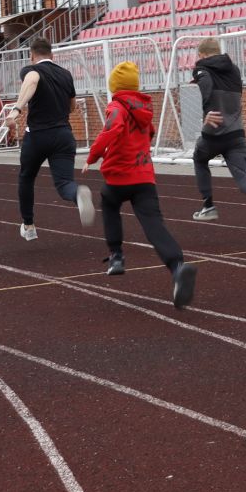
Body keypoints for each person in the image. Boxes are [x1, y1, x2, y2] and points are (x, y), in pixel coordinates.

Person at [86, 61, 198, 308]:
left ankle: (116, 256)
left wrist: (93, 156)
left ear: (115, 86)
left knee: (109, 202)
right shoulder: (145, 107)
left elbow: (111, 129)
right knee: (153, 224)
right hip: (144, 176)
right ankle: (177, 266)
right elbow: (150, 133)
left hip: (118, 177)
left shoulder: (116, 106)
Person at [5, 39, 96, 241]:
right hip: (64, 135)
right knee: (64, 184)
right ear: (52, 55)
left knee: (26, 178)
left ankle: (29, 226)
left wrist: (16, 110)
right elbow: (72, 106)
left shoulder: (31, 70)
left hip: (38, 136)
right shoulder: (66, 75)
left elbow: (32, 80)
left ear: (32, 55)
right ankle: (77, 194)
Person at [189, 38, 246, 239]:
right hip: (236, 134)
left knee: (199, 158)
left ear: (202, 55)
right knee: (242, 177)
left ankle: (208, 206)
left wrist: (207, 111)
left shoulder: (201, 69)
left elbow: (206, 84)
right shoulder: (234, 70)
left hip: (214, 131)